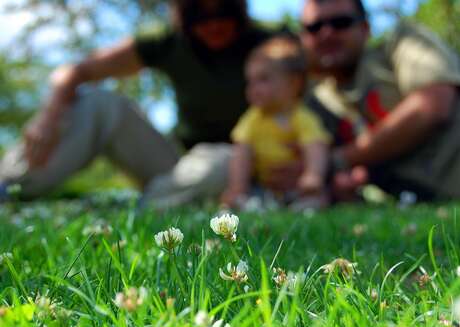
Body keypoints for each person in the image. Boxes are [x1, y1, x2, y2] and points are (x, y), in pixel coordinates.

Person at [0, 0, 276, 205]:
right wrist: (48, 117)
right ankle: (9, 186)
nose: (213, 23)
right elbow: (75, 71)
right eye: (198, 14)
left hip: (246, 173)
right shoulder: (167, 41)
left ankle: (130, 205)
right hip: (179, 169)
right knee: (100, 103)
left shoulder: (272, 43)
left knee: (225, 161)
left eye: (223, 11)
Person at [298, 0, 460, 200]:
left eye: (340, 22)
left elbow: (434, 105)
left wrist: (339, 159)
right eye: (314, 28)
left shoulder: (402, 42)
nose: (326, 33)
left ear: (365, 28)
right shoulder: (314, 100)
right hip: (409, 205)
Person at [220, 36, 331, 210]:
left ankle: (302, 206)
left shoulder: (301, 117)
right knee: (246, 201)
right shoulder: (252, 118)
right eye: (250, 81)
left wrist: (312, 175)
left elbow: (315, 146)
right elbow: (242, 151)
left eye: (263, 79)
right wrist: (238, 186)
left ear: (294, 83)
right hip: (264, 187)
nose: (253, 88)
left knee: (316, 199)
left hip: (297, 187)